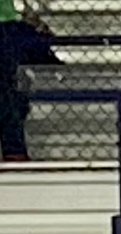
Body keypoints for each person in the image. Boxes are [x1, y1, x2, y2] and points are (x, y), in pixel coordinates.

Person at [0, 5, 57, 164]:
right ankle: (14, 150)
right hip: (8, 27)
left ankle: (14, 150)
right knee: (9, 96)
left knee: (9, 95)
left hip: (8, 25)